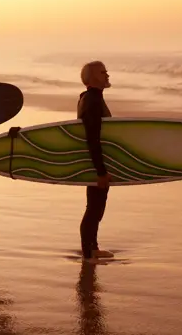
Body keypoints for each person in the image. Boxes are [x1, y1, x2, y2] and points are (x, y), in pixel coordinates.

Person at [77, 60, 114, 261]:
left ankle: (92, 248)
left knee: (96, 206)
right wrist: (100, 171)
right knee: (94, 207)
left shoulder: (91, 98)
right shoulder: (91, 100)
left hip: (95, 161)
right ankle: (89, 251)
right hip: (95, 163)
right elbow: (92, 138)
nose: (107, 75)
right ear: (91, 78)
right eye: (102, 72)